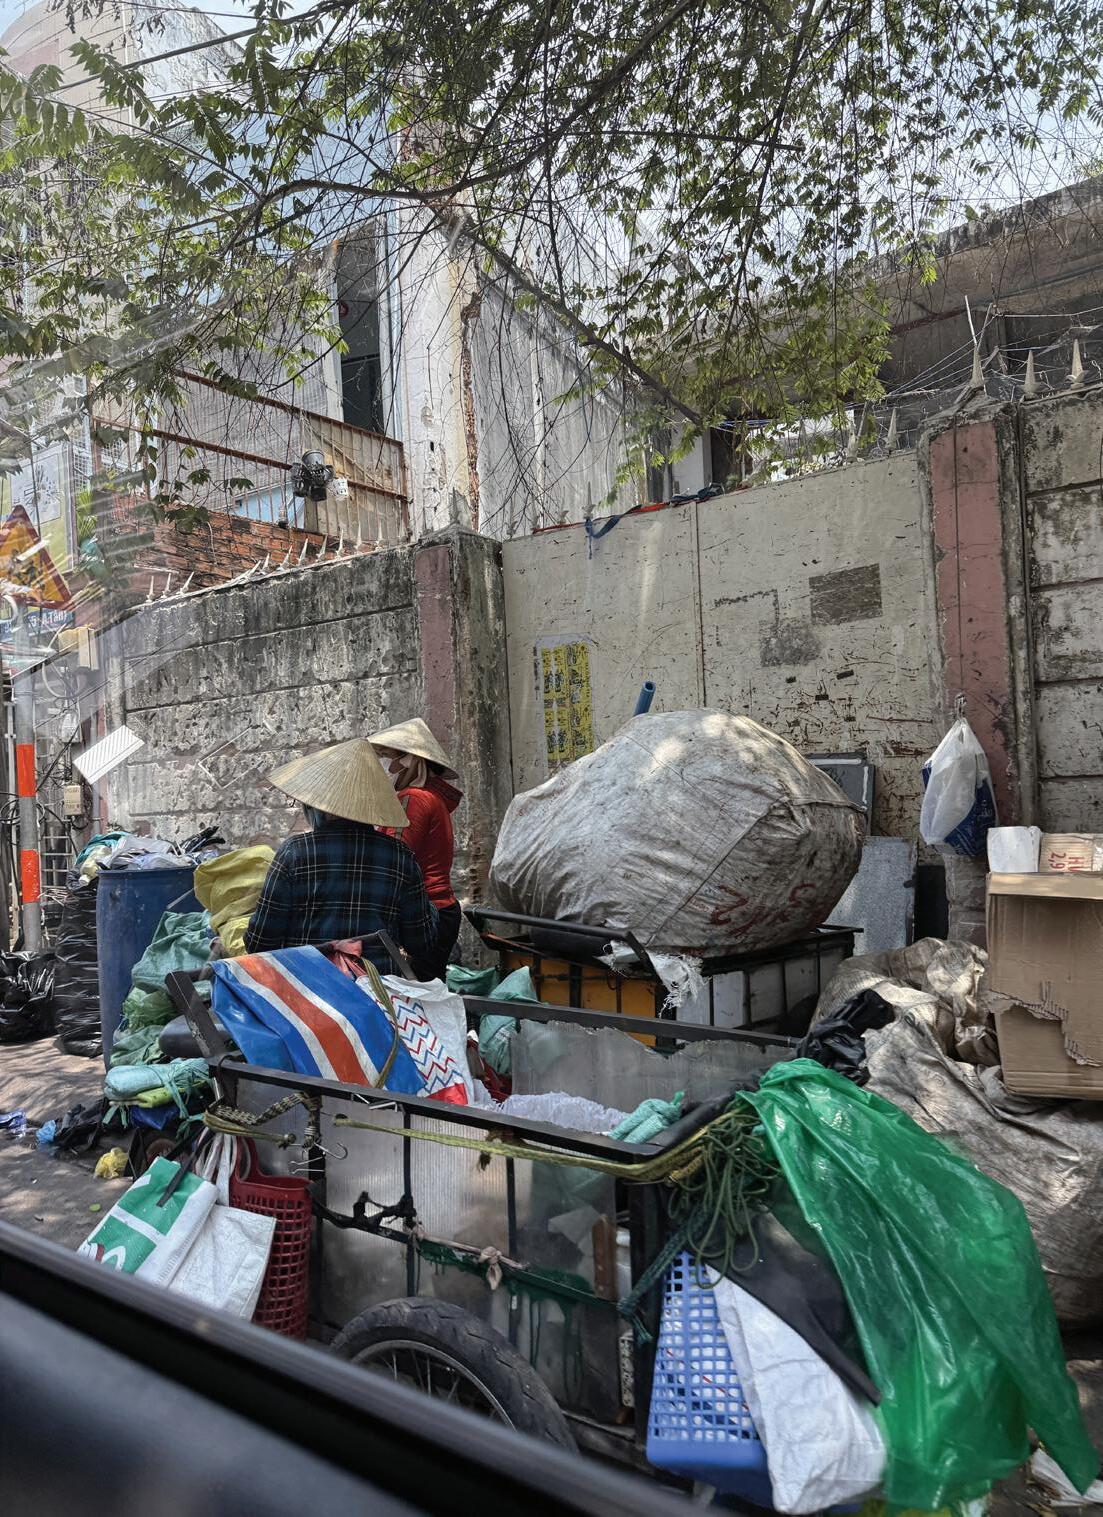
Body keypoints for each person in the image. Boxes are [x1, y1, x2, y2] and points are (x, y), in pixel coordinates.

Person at [244, 737, 439, 979]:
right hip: (378, 991)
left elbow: (259, 942)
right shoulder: (400, 857)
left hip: (309, 989)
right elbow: (421, 942)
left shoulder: (294, 853)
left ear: (318, 806)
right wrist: (430, 909)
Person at [369, 718, 463, 981]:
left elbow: (395, 858)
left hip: (424, 912)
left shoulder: (414, 799)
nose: (392, 767)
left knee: (415, 994)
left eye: (397, 759)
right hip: (440, 909)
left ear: (413, 761)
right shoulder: (432, 799)